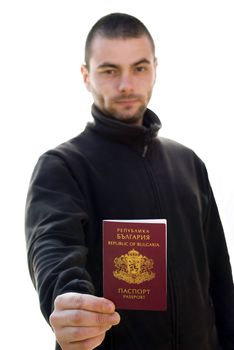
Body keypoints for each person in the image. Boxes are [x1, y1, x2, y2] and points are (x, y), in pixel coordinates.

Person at [25, 12, 234, 350]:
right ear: (86, 76)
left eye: (139, 68)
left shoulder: (188, 163)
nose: (126, 85)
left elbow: (219, 281)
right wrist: (66, 302)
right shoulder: (62, 167)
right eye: (109, 71)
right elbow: (53, 248)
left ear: (155, 69)